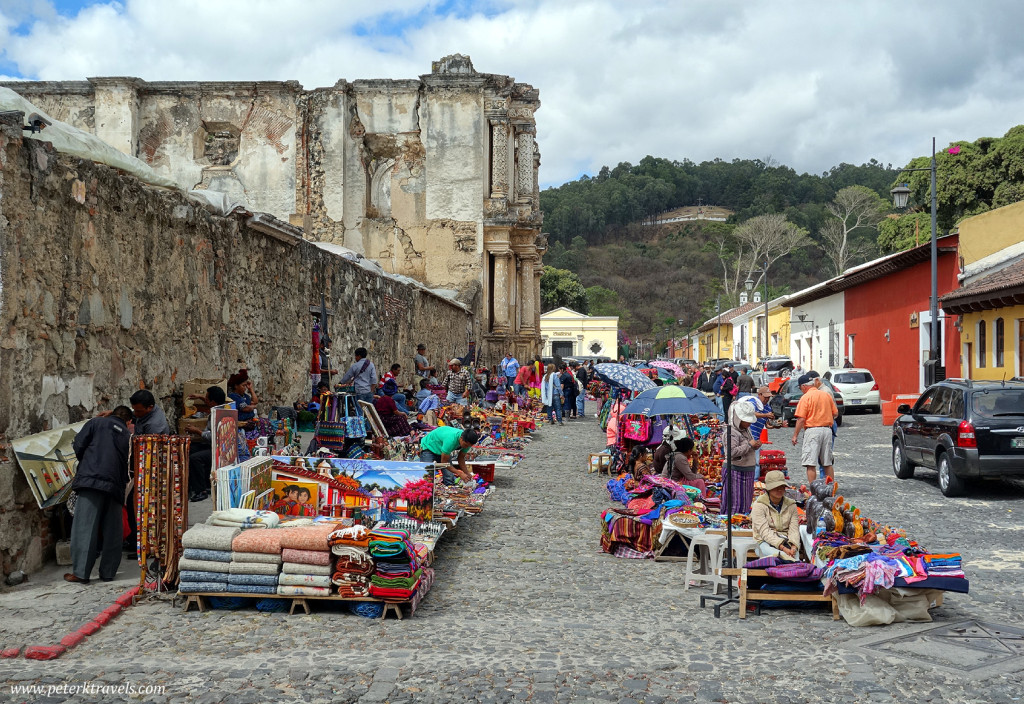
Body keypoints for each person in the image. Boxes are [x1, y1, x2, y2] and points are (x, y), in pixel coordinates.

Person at [65, 406, 133, 584]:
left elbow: (78, 445)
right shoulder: (128, 435)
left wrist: (88, 462)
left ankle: (81, 572)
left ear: (112, 414)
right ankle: (108, 572)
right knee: (113, 530)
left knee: (85, 527)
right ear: (128, 421)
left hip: (91, 480)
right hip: (115, 485)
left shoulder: (96, 423)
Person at [791, 374, 839, 484]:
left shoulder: (805, 397)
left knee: (810, 463)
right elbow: (835, 413)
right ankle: (830, 488)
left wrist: (795, 435)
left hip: (812, 430)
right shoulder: (825, 395)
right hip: (827, 430)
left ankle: (813, 491)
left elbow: (801, 419)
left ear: (803, 386)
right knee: (827, 463)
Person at [184, 386, 228, 502]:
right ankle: (190, 485)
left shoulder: (217, 415)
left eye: (207, 398)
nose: (205, 400)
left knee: (195, 458)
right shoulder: (221, 407)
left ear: (213, 402)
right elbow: (210, 402)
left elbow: (213, 437)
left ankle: (201, 490)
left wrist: (197, 431)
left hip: (218, 448)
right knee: (189, 449)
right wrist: (200, 397)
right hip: (212, 445)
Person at [751, 470, 800, 561]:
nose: (779, 489)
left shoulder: (791, 505)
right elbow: (764, 532)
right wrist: (783, 548)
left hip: (786, 541)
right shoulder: (759, 505)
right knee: (781, 556)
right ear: (768, 489)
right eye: (776, 487)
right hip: (763, 542)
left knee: (794, 558)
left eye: (782, 486)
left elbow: (794, 530)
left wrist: (793, 547)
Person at [723, 401, 761, 517]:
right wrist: (749, 445)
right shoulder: (731, 432)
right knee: (734, 505)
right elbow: (731, 452)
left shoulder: (745, 430)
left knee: (745, 504)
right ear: (738, 418)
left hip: (746, 470)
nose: (749, 422)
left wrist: (754, 445)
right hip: (735, 471)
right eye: (746, 420)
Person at [653, 428, 707, 495]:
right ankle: (701, 499)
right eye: (692, 449)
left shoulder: (678, 455)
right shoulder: (679, 457)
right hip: (670, 482)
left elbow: (690, 474)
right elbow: (690, 477)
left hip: (673, 480)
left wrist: (695, 461)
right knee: (700, 481)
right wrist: (702, 476)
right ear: (688, 450)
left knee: (698, 479)